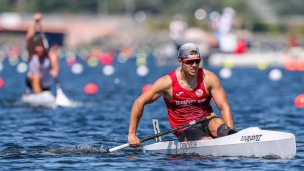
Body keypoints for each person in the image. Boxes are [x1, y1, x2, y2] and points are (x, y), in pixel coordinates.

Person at [128, 43, 236, 147]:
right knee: (206, 141)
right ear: (180, 61)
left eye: (197, 61)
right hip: (184, 128)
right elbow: (139, 102)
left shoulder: (209, 78)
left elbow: (224, 106)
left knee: (221, 125)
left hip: (207, 120)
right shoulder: (167, 83)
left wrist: (231, 136)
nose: (194, 65)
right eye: (190, 62)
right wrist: (132, 134)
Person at [25, 13, 59, 94]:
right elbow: (29, 38)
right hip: (32, 80)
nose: (39, 52)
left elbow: (55, 65)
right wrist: (35, 22)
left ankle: (41, 95)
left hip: (46, 85)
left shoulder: (50, 54)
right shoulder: (31, 53)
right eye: (37, 51)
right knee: (36, 76)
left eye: (41, 51)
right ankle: (38, 96)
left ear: (45, 49)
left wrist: (55, 70)